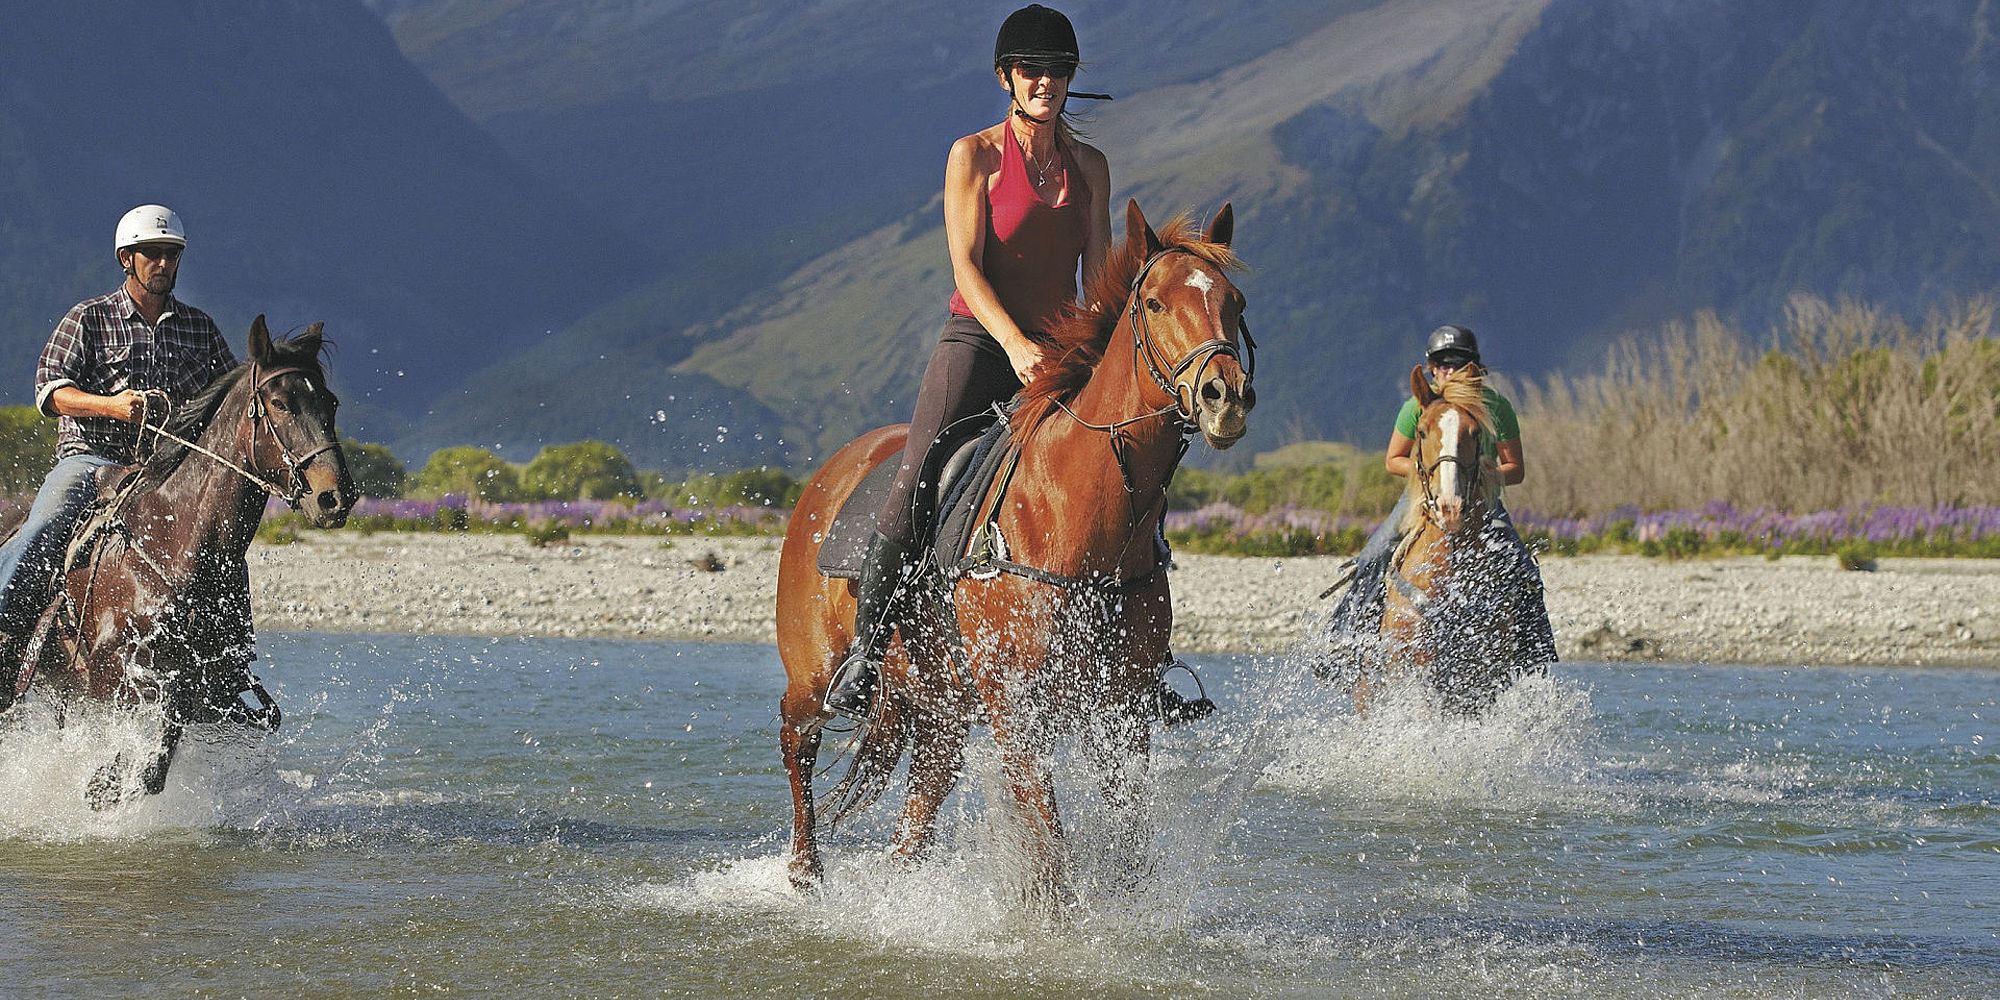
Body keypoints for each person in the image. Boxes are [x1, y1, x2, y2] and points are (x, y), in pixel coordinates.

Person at [823, 5, 1210, 725]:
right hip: (978, 342)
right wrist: (1013, 345)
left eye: (1057, 71)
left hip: (1061, 348)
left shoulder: (1089, 167)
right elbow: (966, 268)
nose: (1045, 82)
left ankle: (1141, 663)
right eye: (1032, 70)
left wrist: (1091, 355)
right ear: (1006, 77)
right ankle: (866, 654)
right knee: (917, 476)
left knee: (1124, 470)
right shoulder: (973, 156)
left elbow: (1098, 278)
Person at [0, 205, 246, 685]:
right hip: (90, 462)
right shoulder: (88, 318)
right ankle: (4, 619)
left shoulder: (200, 328)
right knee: (49, 517)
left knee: (222, 537)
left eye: (171, 254)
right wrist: (111, 406)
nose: (163, 263)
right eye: (152, 253)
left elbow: (232, 400)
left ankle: (232, 661)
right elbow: (50, 393)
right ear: (126, 258)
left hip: (167, 470)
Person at [1317, 324, 1555, 674]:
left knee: (1522, 566)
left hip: (1481, 499)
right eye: (1442, 363)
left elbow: (1515, 468)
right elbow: (1393, 459)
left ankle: (1535, 655)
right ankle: (1344, 641)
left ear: (1473, 368)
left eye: (1458, 363)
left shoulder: (1496, 406)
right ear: (1431, 368)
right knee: (1373, 554)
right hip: (1423, 496)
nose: (1449, 370)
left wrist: (1480, 475)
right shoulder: (1417, 406)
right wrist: (1432, 472)